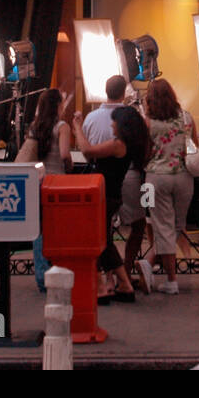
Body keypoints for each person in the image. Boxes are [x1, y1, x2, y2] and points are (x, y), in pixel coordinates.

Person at [71, 104, 137, 303]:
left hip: (104, 196)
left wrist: (77, 127)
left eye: (114, 121)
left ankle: (101, 287)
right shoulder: (127, 144)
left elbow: (87, 150)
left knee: (96, 240)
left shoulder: (117, 144)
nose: (111, 124)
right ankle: (124, 285)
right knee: (104, 240)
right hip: (111, 194)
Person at [143, 79, 199, 295]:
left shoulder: (147, 122)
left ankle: (167, 277)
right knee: (178, 224)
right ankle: (151, 265)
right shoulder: (187, 118)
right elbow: (194, 147)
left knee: (162, 225)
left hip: (157, 177)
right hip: (184, 176)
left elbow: (145, 151)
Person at [17, 88, 72, 291]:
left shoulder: (34, 126)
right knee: (58, 230)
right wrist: (69, 166)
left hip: (37, 182)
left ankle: (42, 277)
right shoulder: (62, 126)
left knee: (39, 231)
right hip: (57, 183)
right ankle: (58, 273)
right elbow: (65, 154)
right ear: (58, 105)